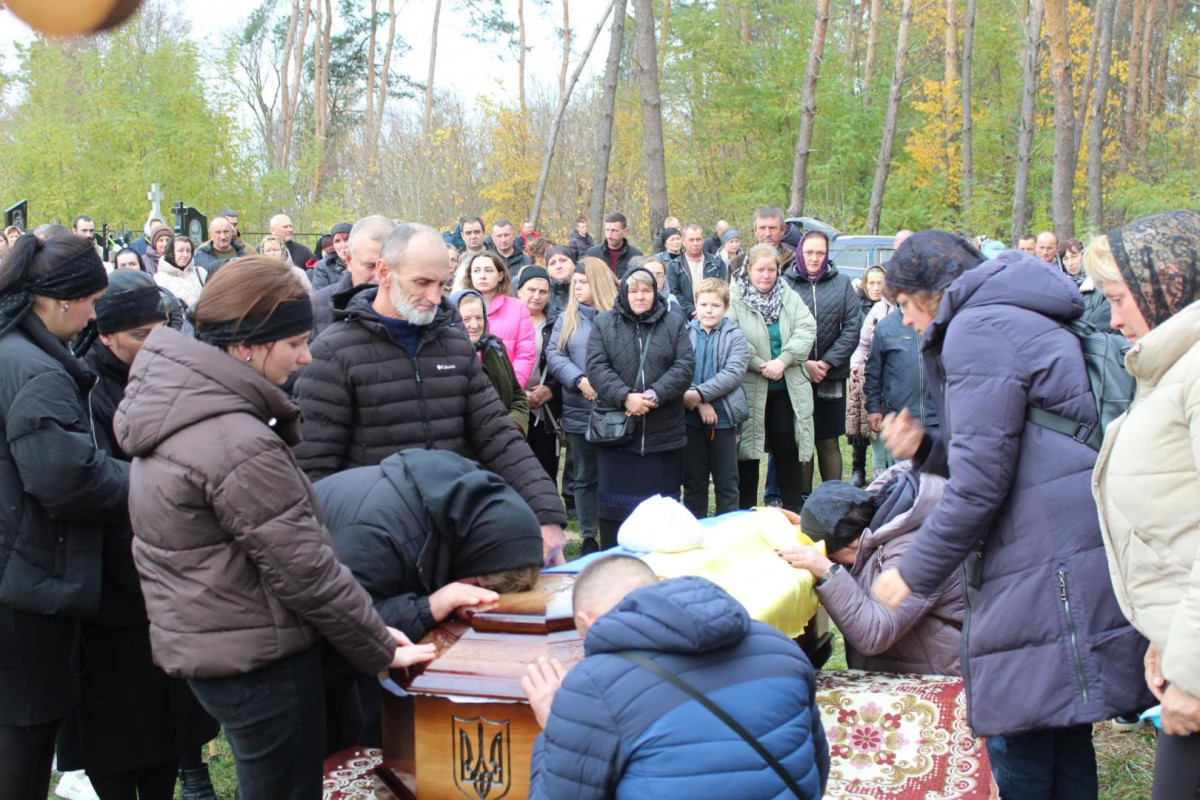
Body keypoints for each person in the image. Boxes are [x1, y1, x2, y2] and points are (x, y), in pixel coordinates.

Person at [113, 258, 436, 800]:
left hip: (220, 645)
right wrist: (380, 645)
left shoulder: (189, 407)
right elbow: (304, 567)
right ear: (248, 345)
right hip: (258, 660)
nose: (306, 357)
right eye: (295, 343)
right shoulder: (235, 441)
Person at [871, 232, 1152, 799]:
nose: (905, 321)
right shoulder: (1010, 311)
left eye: (903, 304)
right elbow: (1013, 445)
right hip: (1061, 536)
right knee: (1061, 726)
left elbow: (980, 483)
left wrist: (911, 572)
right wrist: (927, 450)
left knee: (1022, 728)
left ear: (931, 292)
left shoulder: (976, 329)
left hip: (1042, 553)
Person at [293, 224, 567, 564]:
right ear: (384, 272)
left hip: (453, 538)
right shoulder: (332, 354)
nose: (436, 298)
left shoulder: (454, 347)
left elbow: (498, 436)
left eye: (441, 284)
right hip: (374, 551)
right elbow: (312, 473)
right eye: (422, 283)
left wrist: (545, 513)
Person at [60, 270, 220, 800]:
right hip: (115, 586)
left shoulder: (173, 378)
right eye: (141, 336)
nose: (156, 345)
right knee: (115, 730)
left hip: (173, 575)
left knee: (167, 723)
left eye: (161, 330)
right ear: (106, 336)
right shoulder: (86, 387)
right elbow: (91, 483)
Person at [523, 556, 829, 800]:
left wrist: (556, 727)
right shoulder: (778, 646)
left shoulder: (594, 686)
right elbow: (816, 768)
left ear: (586, 622)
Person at [0, 235, 130, 800]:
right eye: (93, 302)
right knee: (23, 740)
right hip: (28, 581)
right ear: (60, 301)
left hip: (17, 568)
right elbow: (68, 481)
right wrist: (149, 480)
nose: (95, 316)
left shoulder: (12, 350)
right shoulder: (37, 371)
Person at [315, 449, 544, 751]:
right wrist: (430, 607)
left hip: (328, 651)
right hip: (292, 650)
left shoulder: (458, 507)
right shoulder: (378, 533)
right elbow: (347, 622)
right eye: (480, 588)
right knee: (315, 751)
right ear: (474, 563)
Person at [1087, 210, 1200, 800]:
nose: (1113, 318)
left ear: (1169, 285)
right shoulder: (1170, 369)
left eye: (1118, 298)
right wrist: (1166, 634)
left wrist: (1194, 673)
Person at [778, 469, 962, 676]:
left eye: (832, 555)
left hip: (943, 678)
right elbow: (841, 527)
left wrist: (827, 571)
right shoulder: (877, 519)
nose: (832, 560)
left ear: (852, 543)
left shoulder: (920, 554)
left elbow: (874, 634)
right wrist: (809, 525)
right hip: (908, 669)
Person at [586, 266, 694, 548]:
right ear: (624, 292)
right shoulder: (604, 323)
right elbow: (596, 367)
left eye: (646, 290)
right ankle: (614, 560)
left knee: (660, 515)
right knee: (615, 514)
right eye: (633, 291)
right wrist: (626, 397)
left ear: (655, 292)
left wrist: (655, 395)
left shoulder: (673, 323)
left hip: (663, 435)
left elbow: (684, 366)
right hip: (618, 437)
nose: (640, 296)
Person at [728, 244, 816, 513]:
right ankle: (745, 513)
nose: (766, 275)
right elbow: (733, 336)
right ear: (748, 270)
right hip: (749, 387)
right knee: (748, 453)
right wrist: (760, 365)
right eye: (760, 269)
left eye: (771, 269)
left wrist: (783, 360)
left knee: (788, 449)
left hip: (785, 387)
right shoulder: (735, 299)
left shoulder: (789, 296)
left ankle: (792, 512)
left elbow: (806, 328)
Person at [548, 257, 620, 555]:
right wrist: (579, 380)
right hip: (579, 408)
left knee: (613, 474)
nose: (576, 288)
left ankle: (613, 529)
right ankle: (589, 534)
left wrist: (607, 385)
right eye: (574, 283)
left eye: (583, 282)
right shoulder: (567, 318)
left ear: (598, 283)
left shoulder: (618, 315)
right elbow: (554, 354)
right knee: (585, 475)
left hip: (614, 408)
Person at [782, 230, 860, 497]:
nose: (814, 258)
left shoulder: (843, 283)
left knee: (828, 439)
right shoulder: (785, 284)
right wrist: (804, 363)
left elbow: (852, 326)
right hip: (796, 373)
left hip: (831, 375)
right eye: (809, 252)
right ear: (799, 253)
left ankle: (833, 498)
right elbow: (780, 329)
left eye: (820, 253)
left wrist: (826, 363)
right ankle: (803, 500)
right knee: (803, 438)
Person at [682, 278, 750, 518]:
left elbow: (734, 373)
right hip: (691, 418)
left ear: (726, 307)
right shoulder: (685, 333)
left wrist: (700, 394)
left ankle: (727, 531)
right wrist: (699, 402)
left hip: (724, 419)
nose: (709, 310)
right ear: (695, 306)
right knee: (694, 482)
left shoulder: (735, 336)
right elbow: (678, 369)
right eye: (704, 305)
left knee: (727, 482)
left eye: (715, 305)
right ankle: (695, 529)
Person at [452, 289, 530, 433]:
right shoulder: (445, 357)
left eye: (479, 317)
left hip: (505, 437)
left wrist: (513, 424)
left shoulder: (495, 347)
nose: (474, 325)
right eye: (466, 319)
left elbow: (517, 394)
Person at [311, 216, 394, 340]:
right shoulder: (317, 307)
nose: (379, 277)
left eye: (387, 268)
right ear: (349, 260)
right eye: (370, 266)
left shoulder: (416, 304)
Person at [463, 250, 538, 386]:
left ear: (500, 275)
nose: (482, 276)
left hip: (506, 387)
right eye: (476, 271)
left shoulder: (518, 308)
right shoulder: (458, 307)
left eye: (488, 270)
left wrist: (512, 388)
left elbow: (525, 354)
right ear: (470, 275)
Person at [517, 266, 562, 484]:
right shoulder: (507, 320)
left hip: (545, 411)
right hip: (512, 404)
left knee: (544, 473)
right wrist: (518, 393)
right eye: (531, 290)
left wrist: (551, 389)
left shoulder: (557, 323)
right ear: (519, 290)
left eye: (543, 291)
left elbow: (565, 362)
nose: (537, 296)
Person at [847, 264, 888, 486]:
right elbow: (858, 340)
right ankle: (858, 468)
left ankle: (884, 469)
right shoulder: (857, 305)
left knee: (879, 423)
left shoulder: (892, 307)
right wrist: (854, 364)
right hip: (863, 368)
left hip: (885, 373)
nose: (875, 287)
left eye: (880, 283)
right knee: (859, 421)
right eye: (871, 283)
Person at [669, 223, 727, 318]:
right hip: (686, 317)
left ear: (703, 240)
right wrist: (693, 311)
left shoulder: (717, 263)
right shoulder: (674, 265)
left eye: (698, 239)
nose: (695, 243)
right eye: (691, 240)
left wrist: (710, 308)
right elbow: (674, 292)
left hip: (714, 313)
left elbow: (724, 288)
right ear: (683, 241)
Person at [728, 207, 796, 279]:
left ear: (782, 230)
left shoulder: (795, 262)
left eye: (772, 228)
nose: (767, 234)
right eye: (762, 228)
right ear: (755, 230)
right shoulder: (737, 263)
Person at [585, 213, 643, 279]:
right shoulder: (592, 254)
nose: (609, 234)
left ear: (625, 231)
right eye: (607, 230)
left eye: (614, 230)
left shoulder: (636, 255)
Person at [154, 234, 204, 310]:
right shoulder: (159, 279)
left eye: (188, 251)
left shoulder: (200, 272)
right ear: (171, 253)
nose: (185, 255)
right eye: (180, 250)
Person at [310, 222, 353, 290]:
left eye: (347, 239)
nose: (343, 245)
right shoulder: (323, 266)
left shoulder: (365, 261)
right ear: (333, 245)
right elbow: (320, 294)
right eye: (337, 241)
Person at [544, 244, 575, 317]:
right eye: (552, 263)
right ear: (547, 270)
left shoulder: (587, 291)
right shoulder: (543, 297)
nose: (558, 266)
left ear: (574, 263)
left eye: (563, 260)